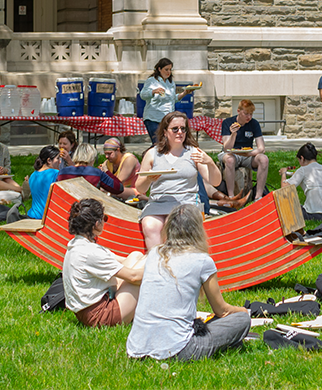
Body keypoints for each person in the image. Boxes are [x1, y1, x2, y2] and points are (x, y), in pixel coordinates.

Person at [125, 204, 250, 360]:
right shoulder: (202, 261)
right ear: (197, 230)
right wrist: (243, 311)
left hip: (137, 349)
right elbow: (222, 310)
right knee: (241, 320)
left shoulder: (154, 254)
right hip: (178, 349)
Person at [135, 111, 220, 250]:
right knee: (150, 226)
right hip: (158, 202)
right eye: (175, 129)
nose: (179, 132)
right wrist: (148, 179)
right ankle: (156, 264)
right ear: (165, 132)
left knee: (173, 224)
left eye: (183, 128)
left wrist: (210, 162)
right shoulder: (152, 153)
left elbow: (215, 181)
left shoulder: (193, 152)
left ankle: (174, 264)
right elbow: (140, 188)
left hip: (186, 202)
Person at [64, 198, 145, 326]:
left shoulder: (77, 245)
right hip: (101, 316)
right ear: (96, 224)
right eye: (104, 219)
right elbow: (133, 277)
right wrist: (159, 269)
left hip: (88, 310)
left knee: (136, 256)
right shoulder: (90, 252)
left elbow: (123, 261)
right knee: (145, 265)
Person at [218, 99, 268, 200]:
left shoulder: (254, 124)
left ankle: (258, 196)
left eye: (251, 114)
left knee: (264, 159)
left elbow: (261, 148)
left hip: (247, 154)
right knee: (229, 160)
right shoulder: (228, 123)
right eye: (246, 114)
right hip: (231, 153)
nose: (248, 117)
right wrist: (233, 134)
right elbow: (227, 148)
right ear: (239, 111)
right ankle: (231, 196)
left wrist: (249, 154)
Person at [142, 58, 194, 143]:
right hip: (153, 118)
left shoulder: (170, 83)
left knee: (167, 144)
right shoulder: (152, 81)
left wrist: (185, 93)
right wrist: (154, 91)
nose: (168, 72)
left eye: (170, 69)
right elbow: (142, 95)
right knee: (158, 144)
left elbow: (173, 99)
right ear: (159, 69)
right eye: (166, 69)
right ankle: (148, 155)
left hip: (167, 119)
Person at [281, 143, 322, 221]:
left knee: (287, 204)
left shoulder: (303, 169)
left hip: (311, 214)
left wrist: (283, 173)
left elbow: (284, 188)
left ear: (302, 158)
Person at [58, 143, 126, 195]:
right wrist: (106, 171)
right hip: (89, 209)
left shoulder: (62, 172)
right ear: (91, 158)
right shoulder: (96, 173)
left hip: (67, 208)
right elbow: (119, 188)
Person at [26, 146, 64, 220]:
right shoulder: (56, 173)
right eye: (58, 158)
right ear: (49, 160)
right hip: (48, 218)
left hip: (31, 216)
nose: (60, 161)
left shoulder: (33, 175)